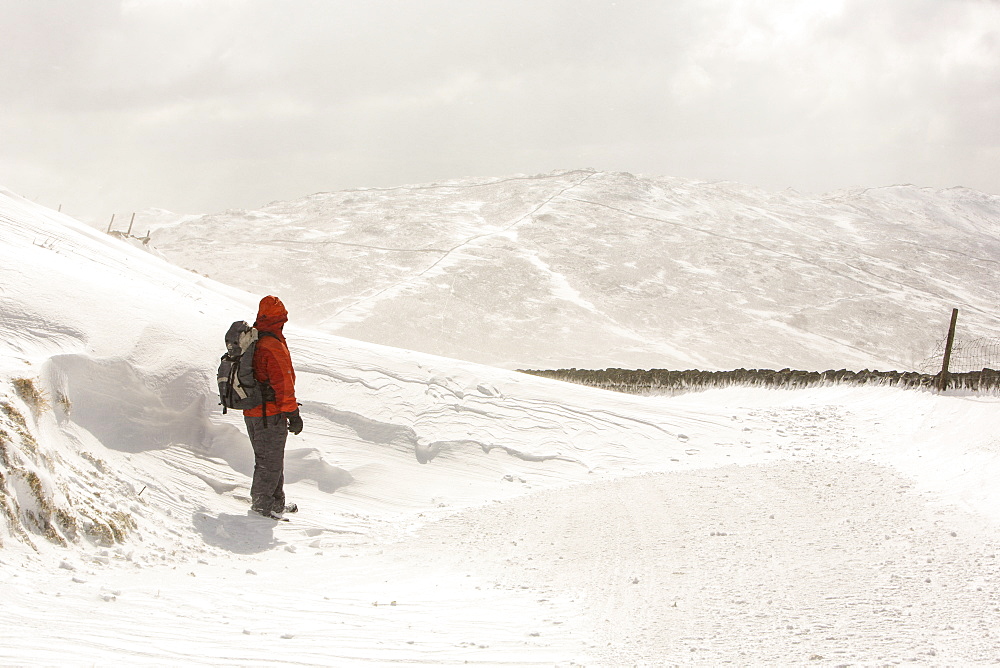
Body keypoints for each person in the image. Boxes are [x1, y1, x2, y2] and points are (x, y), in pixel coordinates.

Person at [243, 295, 303, 517]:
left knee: (271, 458)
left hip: (254, 411)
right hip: (269, 414)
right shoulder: (272, 345)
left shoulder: (257, 339)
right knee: (269, 461)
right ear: (279, 319)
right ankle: (262, 507)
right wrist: (293, 413)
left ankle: (276, 504)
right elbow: (284, 383)